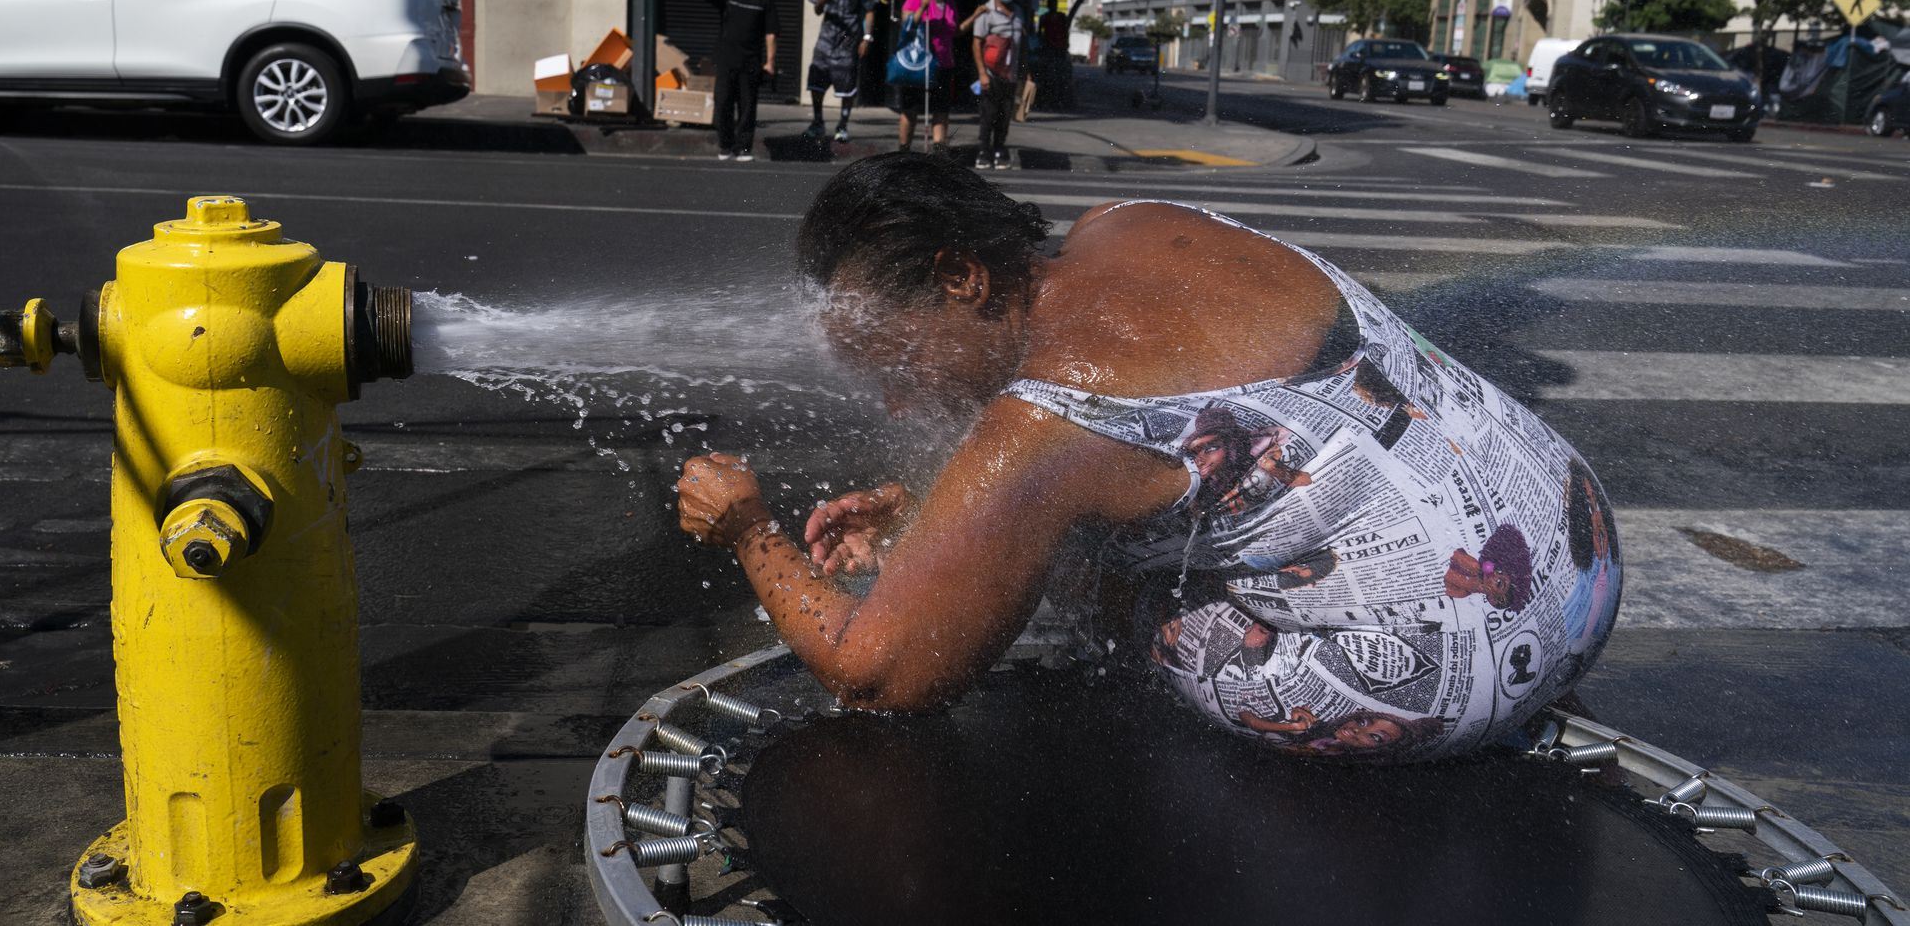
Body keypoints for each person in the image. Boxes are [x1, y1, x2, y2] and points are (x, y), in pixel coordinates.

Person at [675, 154, 1621, 762]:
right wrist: (941, 515)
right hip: (1576, 533)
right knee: (1050, 525)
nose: (896, 397)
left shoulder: (1045, 425)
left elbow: (880, 675)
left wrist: (752, 531)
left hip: (1460, 665)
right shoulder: (1122, 220)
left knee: (1068, 568)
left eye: (897, 359)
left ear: (962, 277)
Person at [696, 0, 781, 161]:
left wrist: (770, 62)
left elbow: (771, 33)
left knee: (747, 106)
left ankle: (743, 148)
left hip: (751, 61)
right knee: (723, 103)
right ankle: (725, 146)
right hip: (726, 60)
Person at [804, 0, 878, 144]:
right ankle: (817, 122)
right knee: (816, 83)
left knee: (846, 85)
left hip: (848, 40)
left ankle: (842, 125)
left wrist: (866, 38)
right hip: (826, 40)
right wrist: (821, 2)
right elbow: (817, 11)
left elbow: (870, 10)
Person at [891, 0, 959, 153]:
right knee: (910, 108)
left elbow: (954, 28)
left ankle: (938, 152)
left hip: (943, 62)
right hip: (919, 62)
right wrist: (922, 7)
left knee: (940, 108)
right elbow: (906, 21)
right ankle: (904, 150)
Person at [970, 0, 1025, 171]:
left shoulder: (1018, 13)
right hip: (991, 73)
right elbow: (976, 44)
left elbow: (1022, 45)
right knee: (988, 114)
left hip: (1010, 74)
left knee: (1005, 113)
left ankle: (1000, 149)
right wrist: (982, 73)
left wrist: (1025, 73)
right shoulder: (986, 12)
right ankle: (983, 151)